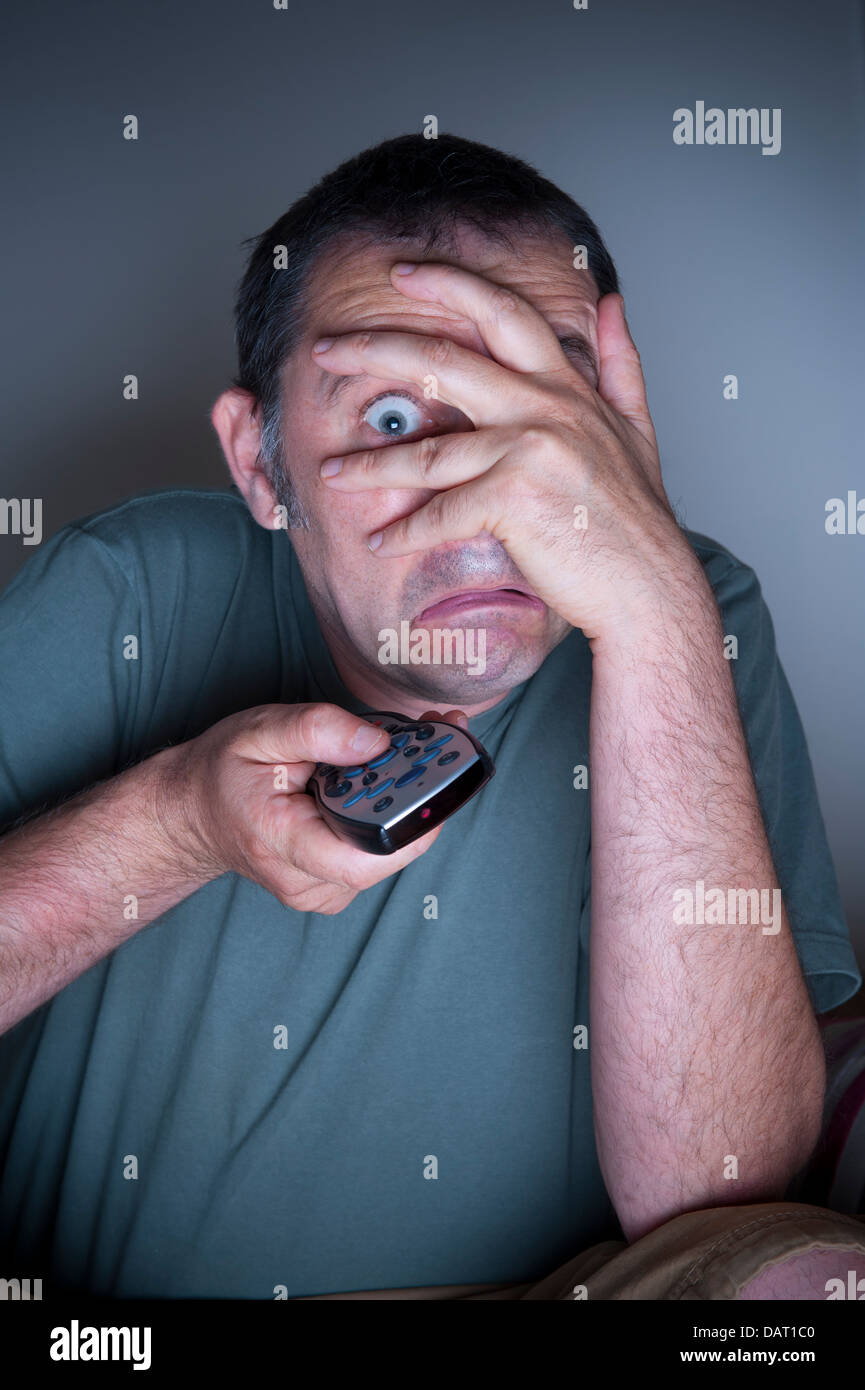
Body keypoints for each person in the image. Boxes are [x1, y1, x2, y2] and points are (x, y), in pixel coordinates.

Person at [0, 133, 861, 1301]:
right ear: (261, 465)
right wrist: (175, 823)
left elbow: (718, 1202)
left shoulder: (699, 608)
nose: (486, 499)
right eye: (395, 421)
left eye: (546, 406)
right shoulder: (127, 590)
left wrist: (655, 607)